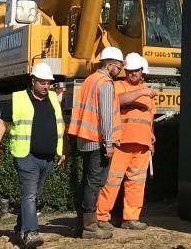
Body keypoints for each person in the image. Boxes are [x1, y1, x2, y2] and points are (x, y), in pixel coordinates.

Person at [0, 62, 65, 249]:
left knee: (34, 195)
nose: (46, 86)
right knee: (30, 195)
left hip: (47, 158)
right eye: (42, 83)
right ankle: (30, 232)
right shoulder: (18, 98)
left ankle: (20, 228)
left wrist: (63, 151)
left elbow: (61, 125)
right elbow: (1, 125)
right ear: (33, 81)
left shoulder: (54, 98)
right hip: (26, 156)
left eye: (49, 83)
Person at [65, 46, 124, 239]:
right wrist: (109, 143)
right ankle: (90, 228)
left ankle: (82, 225)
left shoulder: (90, 80)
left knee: (87, 182)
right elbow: (106, 115)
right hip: (99, 141)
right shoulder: (105, 83)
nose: (120, 71)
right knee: (95, 183)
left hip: (85, 138)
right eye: (119, 67)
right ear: (110, 65)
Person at [96, 52, 156, 231]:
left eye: (135, 71)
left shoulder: (148, 93)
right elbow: (117, 101)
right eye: (129, 70)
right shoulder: (118, 86)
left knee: (136, 184)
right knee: (111, 182)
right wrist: (141, 91)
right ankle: (101, 217)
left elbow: (149, 118)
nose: (132, 74)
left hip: (142, 145)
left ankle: (131, 218)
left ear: (141, 71)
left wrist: (151, 137)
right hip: (121, 143)